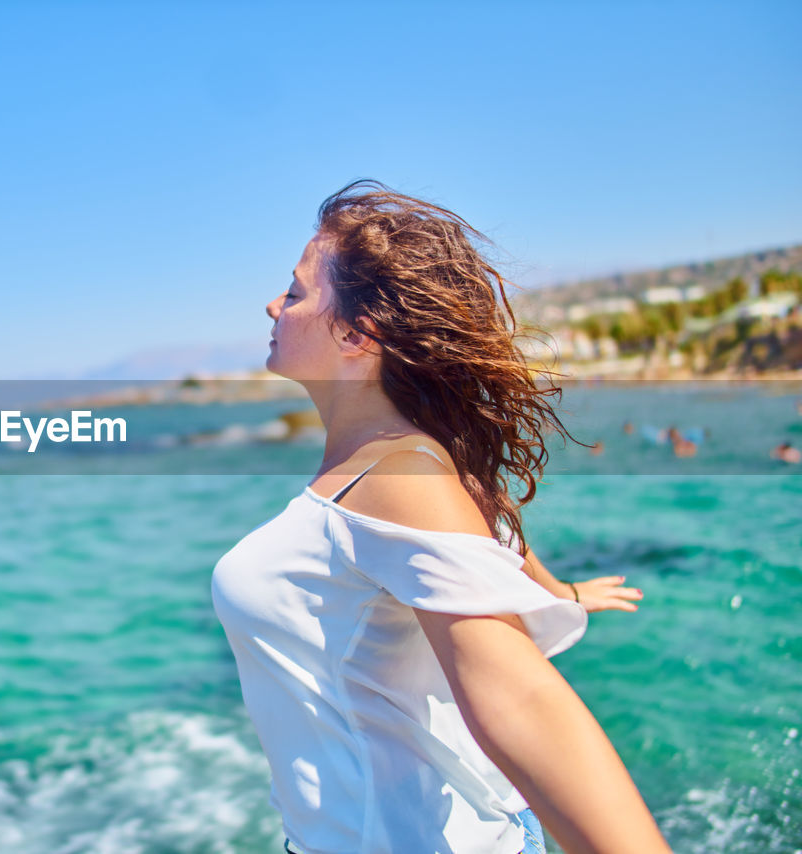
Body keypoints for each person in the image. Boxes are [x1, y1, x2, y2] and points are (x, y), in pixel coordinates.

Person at [211, 180, 670, 853]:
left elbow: (521, 702)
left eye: (298, 292)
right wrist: (558, 593)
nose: (273, 304)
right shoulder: (405, 465)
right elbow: (485, 540)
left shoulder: (397, 477)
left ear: (356, 335)